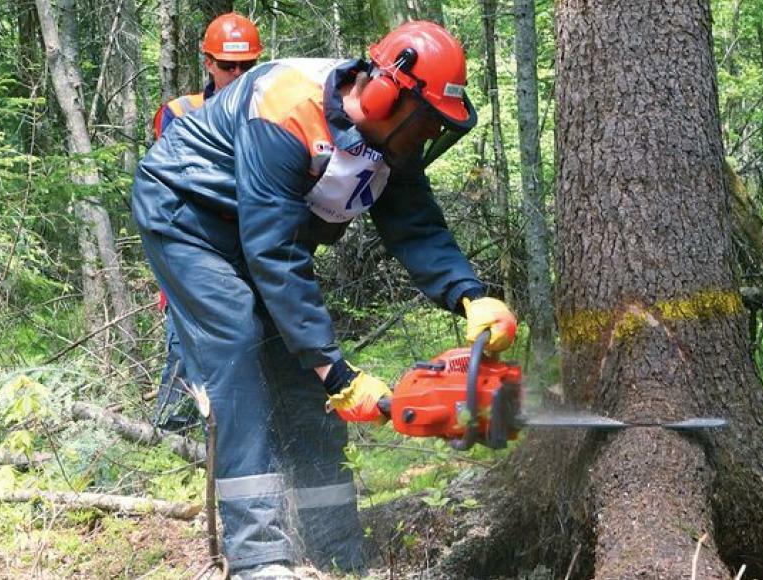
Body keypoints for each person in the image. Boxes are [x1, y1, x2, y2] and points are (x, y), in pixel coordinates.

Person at [131, 21, 517, 579]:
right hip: (191, 216)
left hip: (259, 232)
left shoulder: (391, 144)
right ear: (387, 94)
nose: (427, 136)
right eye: (426, 121)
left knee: (298, 374)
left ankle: (333, 545)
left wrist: (470, 297)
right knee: (238, 350)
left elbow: (417, 228)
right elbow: (275, 256)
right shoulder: (288, 109)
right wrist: (336, 373)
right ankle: (257, 555)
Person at [149, 12, 263, 432]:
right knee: (186, 347)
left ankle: (237, 431)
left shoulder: (269, 114)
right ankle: (172, 438)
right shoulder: (181, 112)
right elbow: (171, 187)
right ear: (209, 63)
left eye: (246, 66)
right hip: (195, 250)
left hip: (251, 247)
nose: (237, 74)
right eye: (228, 65)